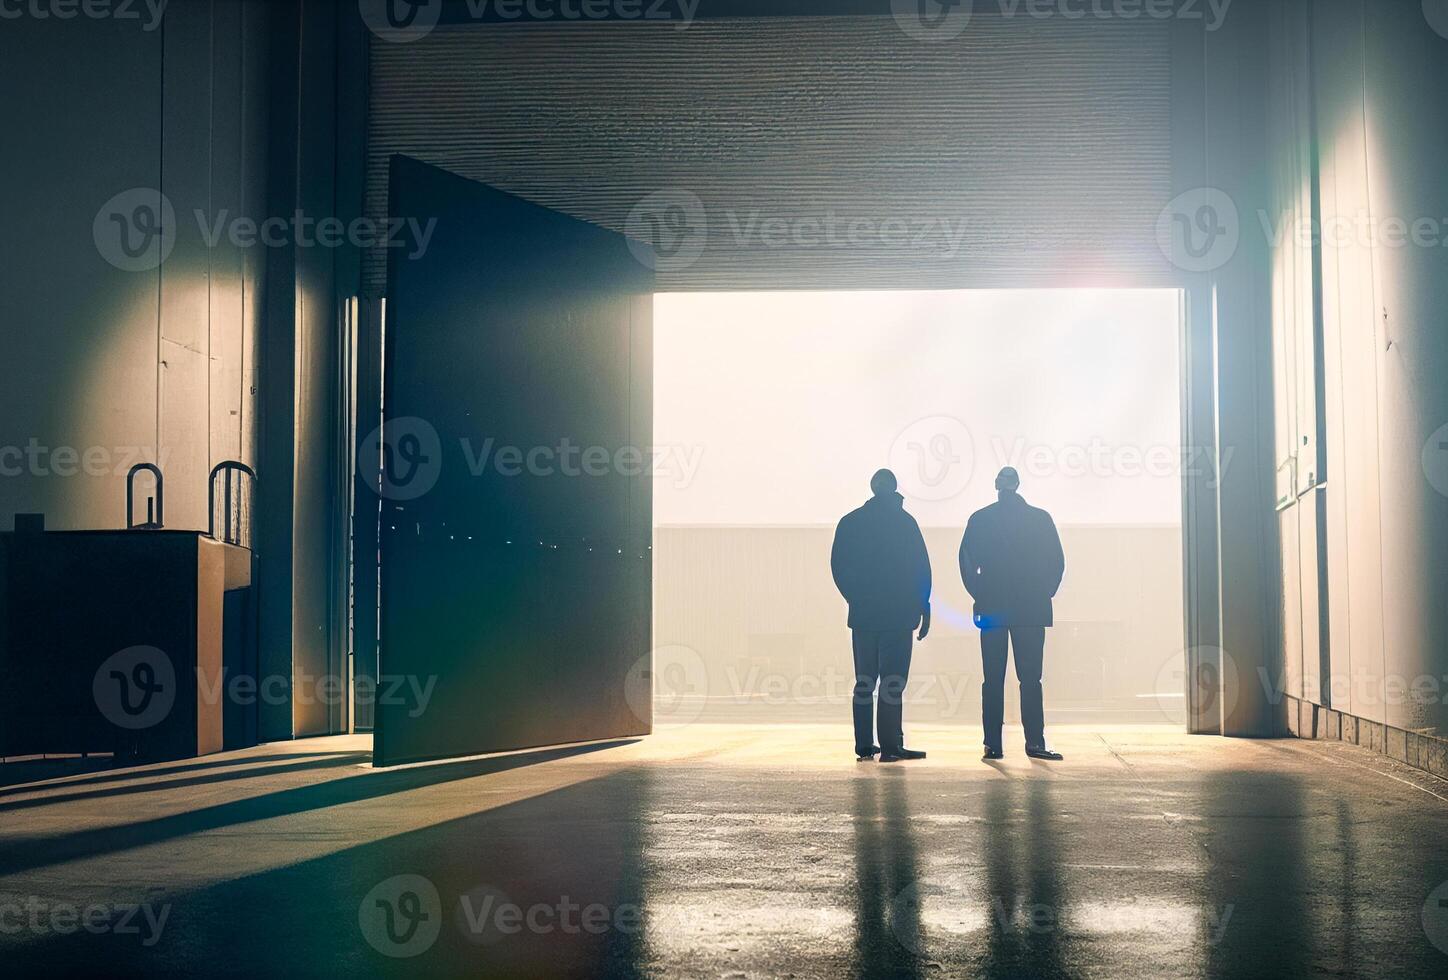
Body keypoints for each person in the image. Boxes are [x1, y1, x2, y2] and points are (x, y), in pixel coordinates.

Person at [958, 467, 1065, 761]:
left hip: (992, 608)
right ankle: (1035, 743)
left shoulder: (981, 520)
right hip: (1031, 609)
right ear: (1018, 485)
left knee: (992, 679)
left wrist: (980, 593)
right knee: (1031, 679)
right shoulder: (1040, 519)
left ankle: (993, 744)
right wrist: (1044, 592)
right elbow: (1056, 562)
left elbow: (966, 563)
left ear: (996, 486)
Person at [831, 469, 932, 763]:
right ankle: (890, 746)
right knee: (892, 681)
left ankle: (864, 746)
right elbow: (920, 570)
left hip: (864, 616)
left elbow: (839, 568)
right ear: (894, 489)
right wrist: (922, 607)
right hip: (898, 616)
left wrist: (857, 599)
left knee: (865, 680)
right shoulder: (905, 523)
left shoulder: (850, 523)